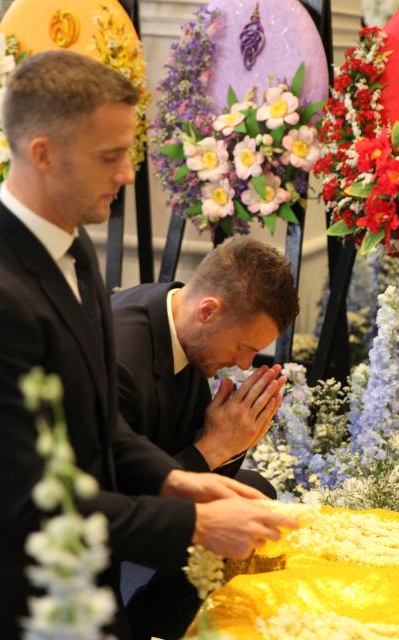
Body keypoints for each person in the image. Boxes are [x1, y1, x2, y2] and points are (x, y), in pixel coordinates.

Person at [0, 50, 296, 640]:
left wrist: (180, 480)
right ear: (44, 153)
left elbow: (102, 427)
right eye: (110, 156)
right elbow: (31, 506)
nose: (127, 174)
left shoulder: (73, 249)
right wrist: (193, 522)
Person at [112, 236, 300, 638]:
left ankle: (158, 619)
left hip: (151, 488)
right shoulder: (120, 361)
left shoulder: (184, 325)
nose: (245, 363)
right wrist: (214, 447)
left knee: (255, 494)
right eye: (244, 347)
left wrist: (233, 440)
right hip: (90, 530)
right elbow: (118, 497)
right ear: (209, 311)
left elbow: (191, 449)